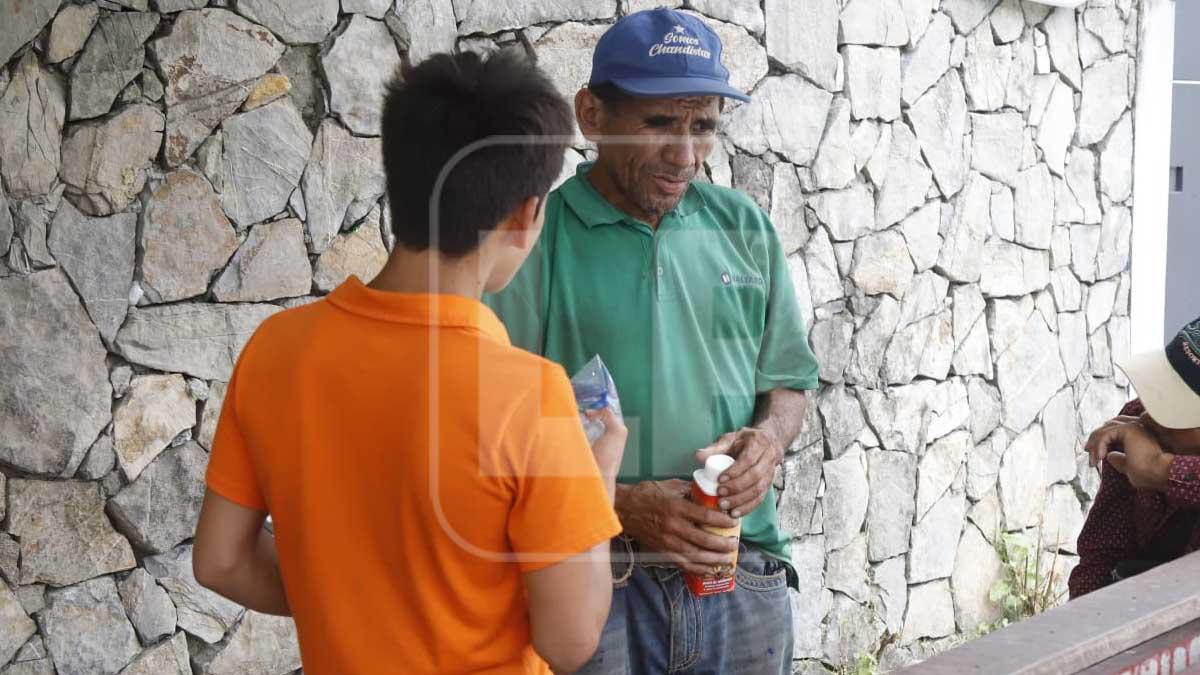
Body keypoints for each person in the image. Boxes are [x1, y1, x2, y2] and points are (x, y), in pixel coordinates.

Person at [191, 49, 628, 674]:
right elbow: (571, 638)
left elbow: (221, 561)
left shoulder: (276, 349)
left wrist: (346, 600)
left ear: (399, 180)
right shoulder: (532, 395)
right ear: (526, 214)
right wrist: (600, 476)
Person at [485, 8, 819, 673]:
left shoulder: (744, 227)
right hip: (596, 578)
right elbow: (492, 439)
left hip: (742, 570)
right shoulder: (533, 240)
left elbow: (788, 382)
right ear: (593, 115)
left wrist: (768, 442)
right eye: (660, 123)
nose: (686, 155)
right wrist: (621, 505)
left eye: (703, 127)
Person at [1070, 316, 1200, 599]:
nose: (1151, 416)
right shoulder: (1134, 425)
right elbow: (1101, 554)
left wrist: (1161, 470)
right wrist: (1080, 622)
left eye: (1176, 411)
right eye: (1160, 393)